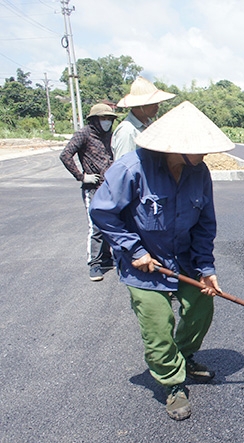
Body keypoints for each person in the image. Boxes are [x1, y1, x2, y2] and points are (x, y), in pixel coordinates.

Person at [89, 101, 234, 421]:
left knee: (201, 306)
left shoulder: (199, 172)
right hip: (144, 263)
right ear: (176, 147)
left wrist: (206, 268)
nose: (206, 155)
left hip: (183, 259)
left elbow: (204, 224)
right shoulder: (131, 169)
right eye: (200, 149)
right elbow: (101, 211)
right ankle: (172, 382)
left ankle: (182, 355)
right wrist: (134, 249)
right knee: (157, 326)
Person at [59, 103, 118, 281]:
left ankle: (106, 258)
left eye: (109, 119)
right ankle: (95, 263)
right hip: (93, 188)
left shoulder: (109, 135)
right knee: (96, 226)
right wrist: (81, 176)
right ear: (94, 120)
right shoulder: (83, 134)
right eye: (103, 118)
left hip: (109, 187)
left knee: (110, 223)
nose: (106, 122)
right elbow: (65, 155)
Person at [111, 76, 176, 160]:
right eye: (153, 103)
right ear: (141, 105)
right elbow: (124, 166)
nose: (157, 107)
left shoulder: (150, 126)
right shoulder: (127, 131)